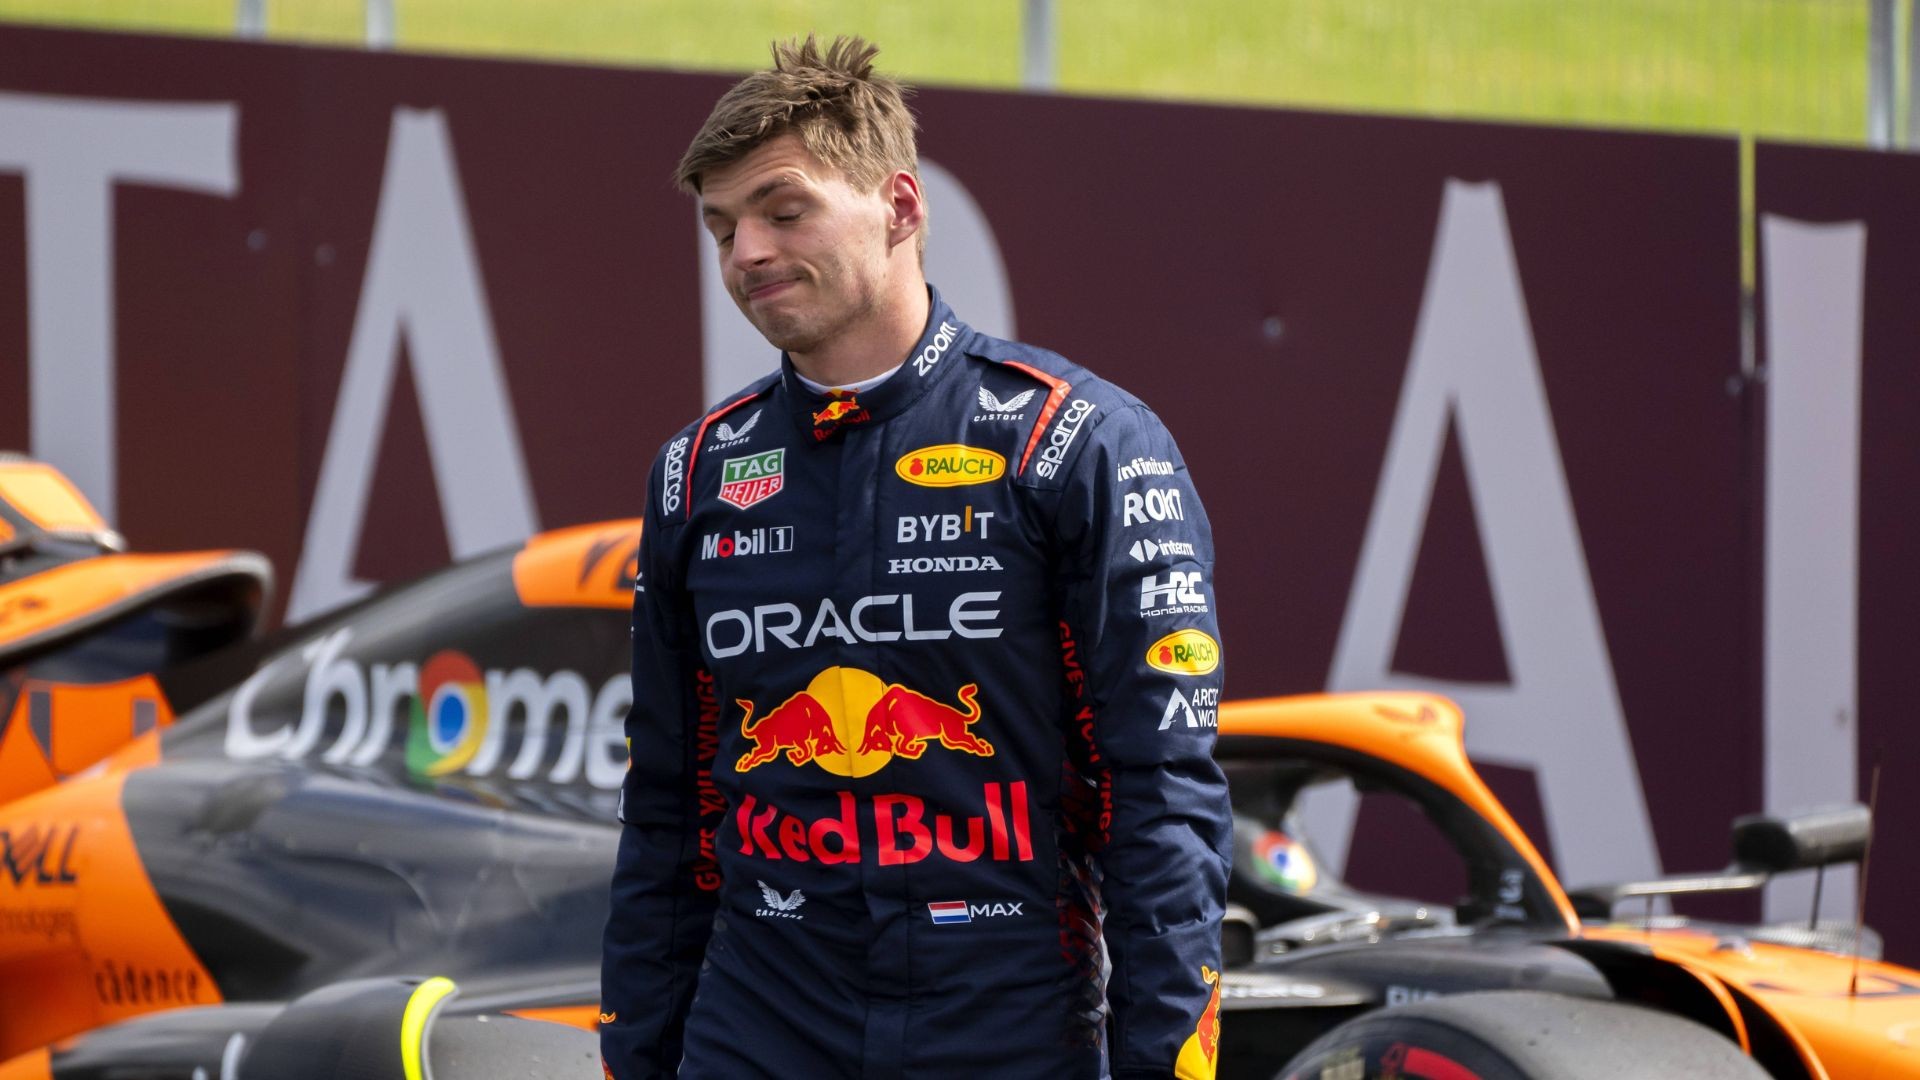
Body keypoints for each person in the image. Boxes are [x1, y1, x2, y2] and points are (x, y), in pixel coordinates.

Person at [600, 34, 1231, 1080]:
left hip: (1004, 1025)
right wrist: (638, 1056)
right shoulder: (699, 471)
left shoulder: (1074, 443)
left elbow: (1160, 793)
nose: (745, 253)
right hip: (760, 1024)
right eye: (722, 227)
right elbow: (667, 804)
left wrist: (1165, 1063)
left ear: (899, 206)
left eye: (783, 211)